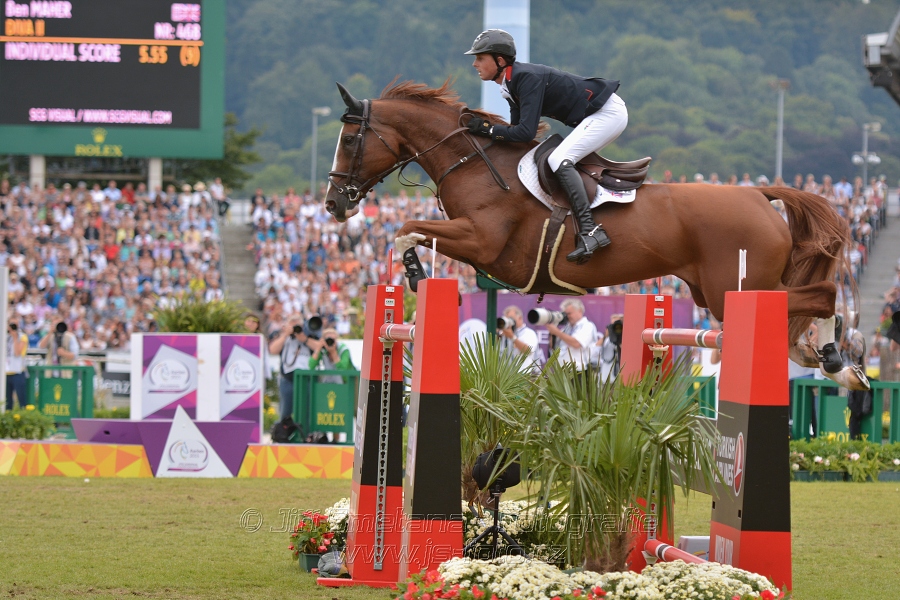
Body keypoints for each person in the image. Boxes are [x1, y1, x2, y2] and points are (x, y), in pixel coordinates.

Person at [465, 29, 626, 264]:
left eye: (480, 58)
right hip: (595, 115)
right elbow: (517, 133)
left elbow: (525, 132)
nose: (475, 64)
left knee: (557, 159)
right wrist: (489, 133)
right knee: (556, 158)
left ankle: (591, 231)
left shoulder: (525, 77)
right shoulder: (510, 85)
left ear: (499, 61)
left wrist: (488, 129)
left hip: (607, 113)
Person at [268, 315, 315, 420]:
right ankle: (285, 434)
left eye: (298, 325)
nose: (295, 328)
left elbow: (319, 347)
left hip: (306, 379)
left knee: (306, 410)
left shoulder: (308, 336)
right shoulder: (284, 338)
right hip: (287, 378)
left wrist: (304, 339)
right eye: (293, 324)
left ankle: (305, 434)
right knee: (285, 411)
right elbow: (272, 350)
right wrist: (285, 335)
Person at [545, 298, 598, 373]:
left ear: (579, 311)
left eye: (569, 313)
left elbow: (576, 343)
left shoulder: (588, 326)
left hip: (578, 371)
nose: (567, 316)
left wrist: (557, 332)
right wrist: (552, 331)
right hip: (561, 370)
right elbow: (553, 346)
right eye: (565, 314)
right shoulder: (567, 327)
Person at [498, 305, 544, 374]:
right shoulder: (504, 334)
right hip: (507, 376)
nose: (509, 322)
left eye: (511, 319)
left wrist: (512, 337)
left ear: (519, 318)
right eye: (506, 319)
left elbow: (528, 350)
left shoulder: (529, 333)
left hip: (525, 375)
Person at [6, 319, 29, 410]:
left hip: (18, 371)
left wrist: (15, 337)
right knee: (7, 401)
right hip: (6, 371)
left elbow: (17, 353)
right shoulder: (5, 336)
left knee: (21, 399)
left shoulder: (22, 337)